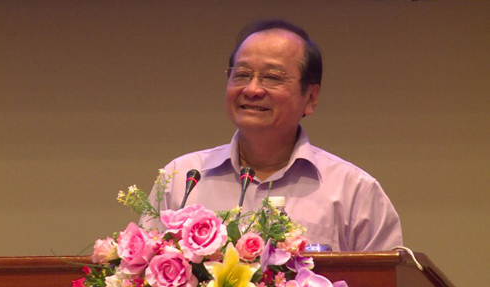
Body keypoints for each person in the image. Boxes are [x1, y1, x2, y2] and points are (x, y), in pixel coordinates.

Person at [140, 19, 403, 251]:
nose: (253, 89)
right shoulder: (183, 180)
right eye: (242, 74)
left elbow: (388, 284)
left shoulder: (354, 192)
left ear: (310, 97)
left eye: (272, 77)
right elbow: (140, 280)